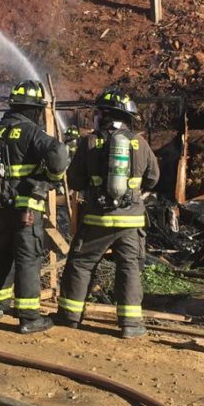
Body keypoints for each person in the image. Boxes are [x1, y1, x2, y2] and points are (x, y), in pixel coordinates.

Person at [0, 80, 69, 334]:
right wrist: (49, 180)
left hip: (0, 207)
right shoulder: (31, 132)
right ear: (34, 109)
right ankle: (30, 317)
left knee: (2, 253)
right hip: (27, 209)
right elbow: (59, 154)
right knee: (28, 259)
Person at [56, 89, 160, 339]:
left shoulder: (90, 141)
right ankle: (130, 325)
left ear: (105, 115)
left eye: (98, 112)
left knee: (81, 264)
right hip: (132, 220)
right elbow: (154, 178)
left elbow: (75, 180)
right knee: (129, 268)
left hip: (96, 219)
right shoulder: (140, 142)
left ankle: (70, 317)